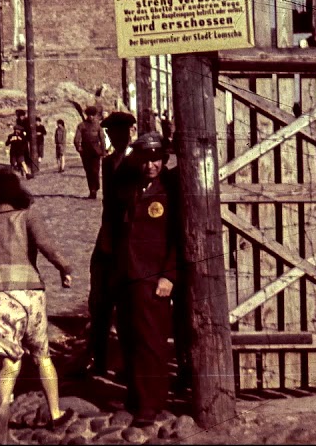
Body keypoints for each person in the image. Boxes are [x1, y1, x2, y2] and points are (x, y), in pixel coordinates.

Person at [0, 167, 77, 444]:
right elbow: (45, 244)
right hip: (30, 295)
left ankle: (2, 406)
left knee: (10, 363)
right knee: (42, 356)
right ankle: (56, 413)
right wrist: (65, 268)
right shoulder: (28, 216)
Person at [112, 132, 180, 428]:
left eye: (156, 159)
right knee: (130, 338)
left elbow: (178, 236)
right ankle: (135, 397)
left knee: (152, 342)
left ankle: (152, 404)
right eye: (146, 159)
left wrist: (168, 275)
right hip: (129, 275)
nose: (151, 165)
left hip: (154, 277)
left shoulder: (171, 189)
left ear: (164, 159)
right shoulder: (135, 186)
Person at [80, 110, 135, 378]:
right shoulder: (109, 161)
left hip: (132, 241)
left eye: (121, 132)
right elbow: (108, 204)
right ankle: (99, 359)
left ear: (129, 133)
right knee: (99, 302)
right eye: (112, 132)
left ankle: (127, 363)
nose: (117, 136)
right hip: (109, 237)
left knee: (127, 307)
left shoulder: (139, 160)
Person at [72, 106, 105, 199]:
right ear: (87, 115)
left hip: (96, 151)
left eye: (93, 115)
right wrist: (79, 149)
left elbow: (102, 139)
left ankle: (96, 187)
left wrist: (103, 151)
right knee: (89, 171)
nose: (91, 117)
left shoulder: (98, 125)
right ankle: (92, 190)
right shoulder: (82, 125)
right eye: (89, 115)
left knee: (95, 171)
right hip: (86, 152)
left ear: (95, 115)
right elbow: (76, 139)